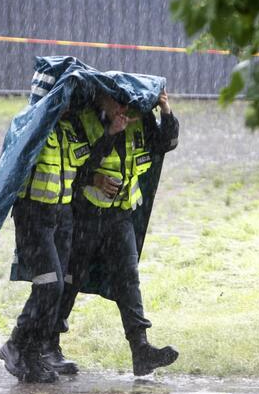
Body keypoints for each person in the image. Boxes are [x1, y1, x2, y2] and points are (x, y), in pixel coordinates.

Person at [47, 89, 180, 376]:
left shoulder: (140, 119)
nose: (123, 106)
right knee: (70, 279)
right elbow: (71, 166)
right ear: (99, 98)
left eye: (127, 101)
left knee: (128, 279)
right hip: (86, 215)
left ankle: (141, 350)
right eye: (115, 100)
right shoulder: (84, 121)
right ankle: (50, 344)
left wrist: (165, 109)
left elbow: (167, 143)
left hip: (121, 215)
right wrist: (108, 141)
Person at [0, 108, 93, 383]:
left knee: (58, 285)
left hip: (61, 215)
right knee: (49, 284)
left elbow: (85, 165)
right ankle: (17, 344)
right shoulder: (32, 125)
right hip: (33, 215)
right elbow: (10, 166)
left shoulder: (69, 129)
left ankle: (33, 354)